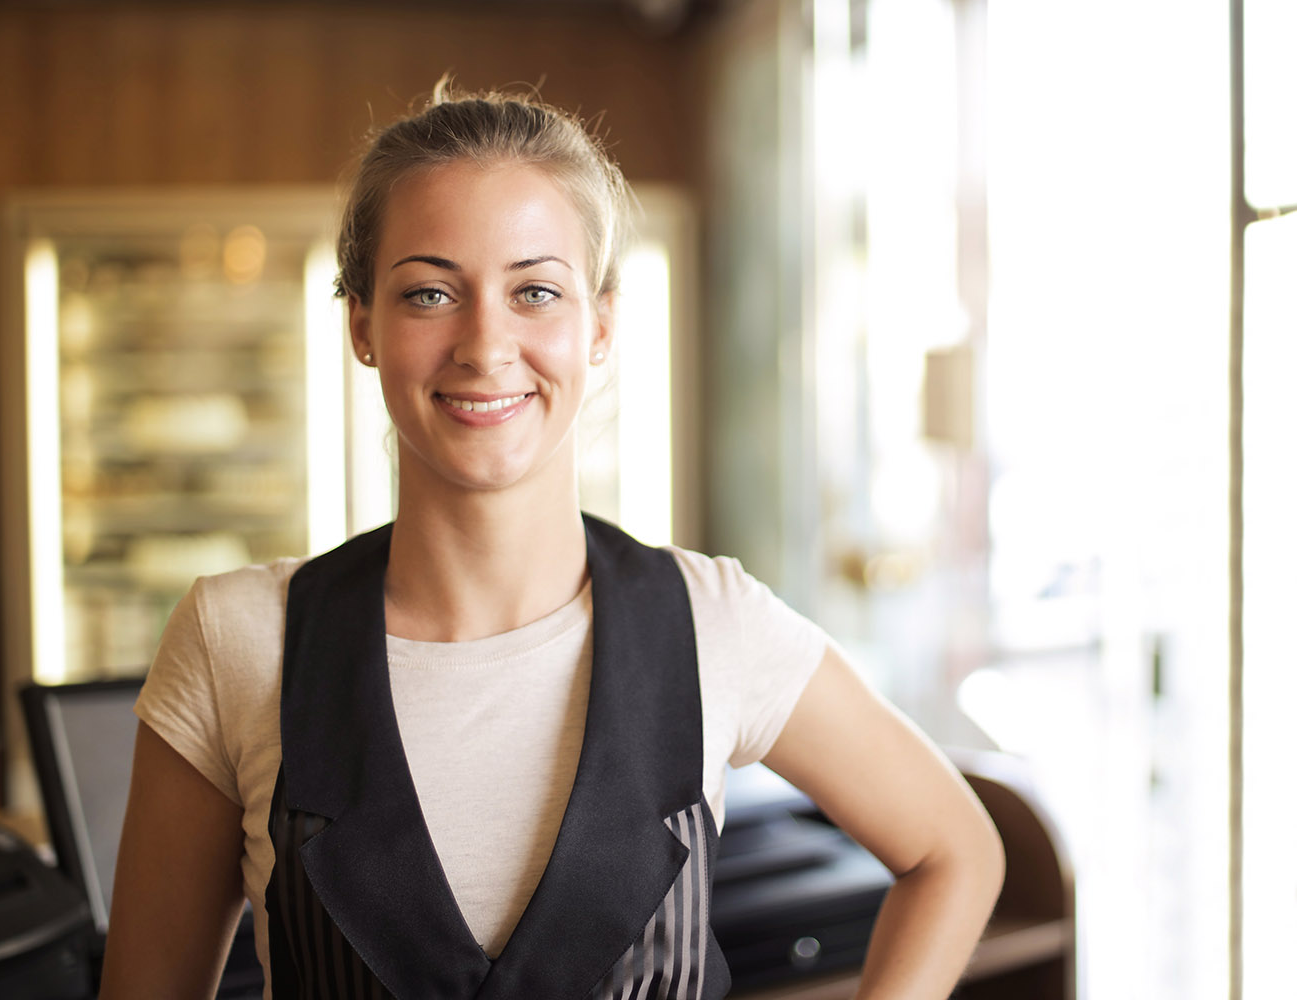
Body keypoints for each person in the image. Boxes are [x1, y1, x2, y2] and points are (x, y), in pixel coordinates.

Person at [100, 82, 1004, 1000]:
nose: (486, 344)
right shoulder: (233, 641)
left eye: (534, 291)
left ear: (600, 325)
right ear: (362, 325)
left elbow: (953, 850)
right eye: (429, 292)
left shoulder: (712, 624)